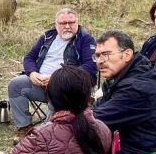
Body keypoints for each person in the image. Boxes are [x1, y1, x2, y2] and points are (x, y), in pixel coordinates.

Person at [92, 30, 156, 154]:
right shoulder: (125, 75)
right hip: (131, 144)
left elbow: (92, 121)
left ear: (127, 55)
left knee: (69, 145)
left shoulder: (137, 87)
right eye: (97, 55)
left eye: (106, 54)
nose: (99, 61)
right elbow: (97, 108)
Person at [8, 7, 97, 143]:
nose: (67, 26)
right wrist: (32, 73)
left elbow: (90, 67)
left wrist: (58, 78)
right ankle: (24, 127)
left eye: (71, 22)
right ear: (56, 25)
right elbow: (29, 57)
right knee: (15, 84)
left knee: (58, 93)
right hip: (41, 82)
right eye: (62, 23)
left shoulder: (86, 40)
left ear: (77, 23)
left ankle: (46, 136)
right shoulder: (47, 37)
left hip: (68, 87)